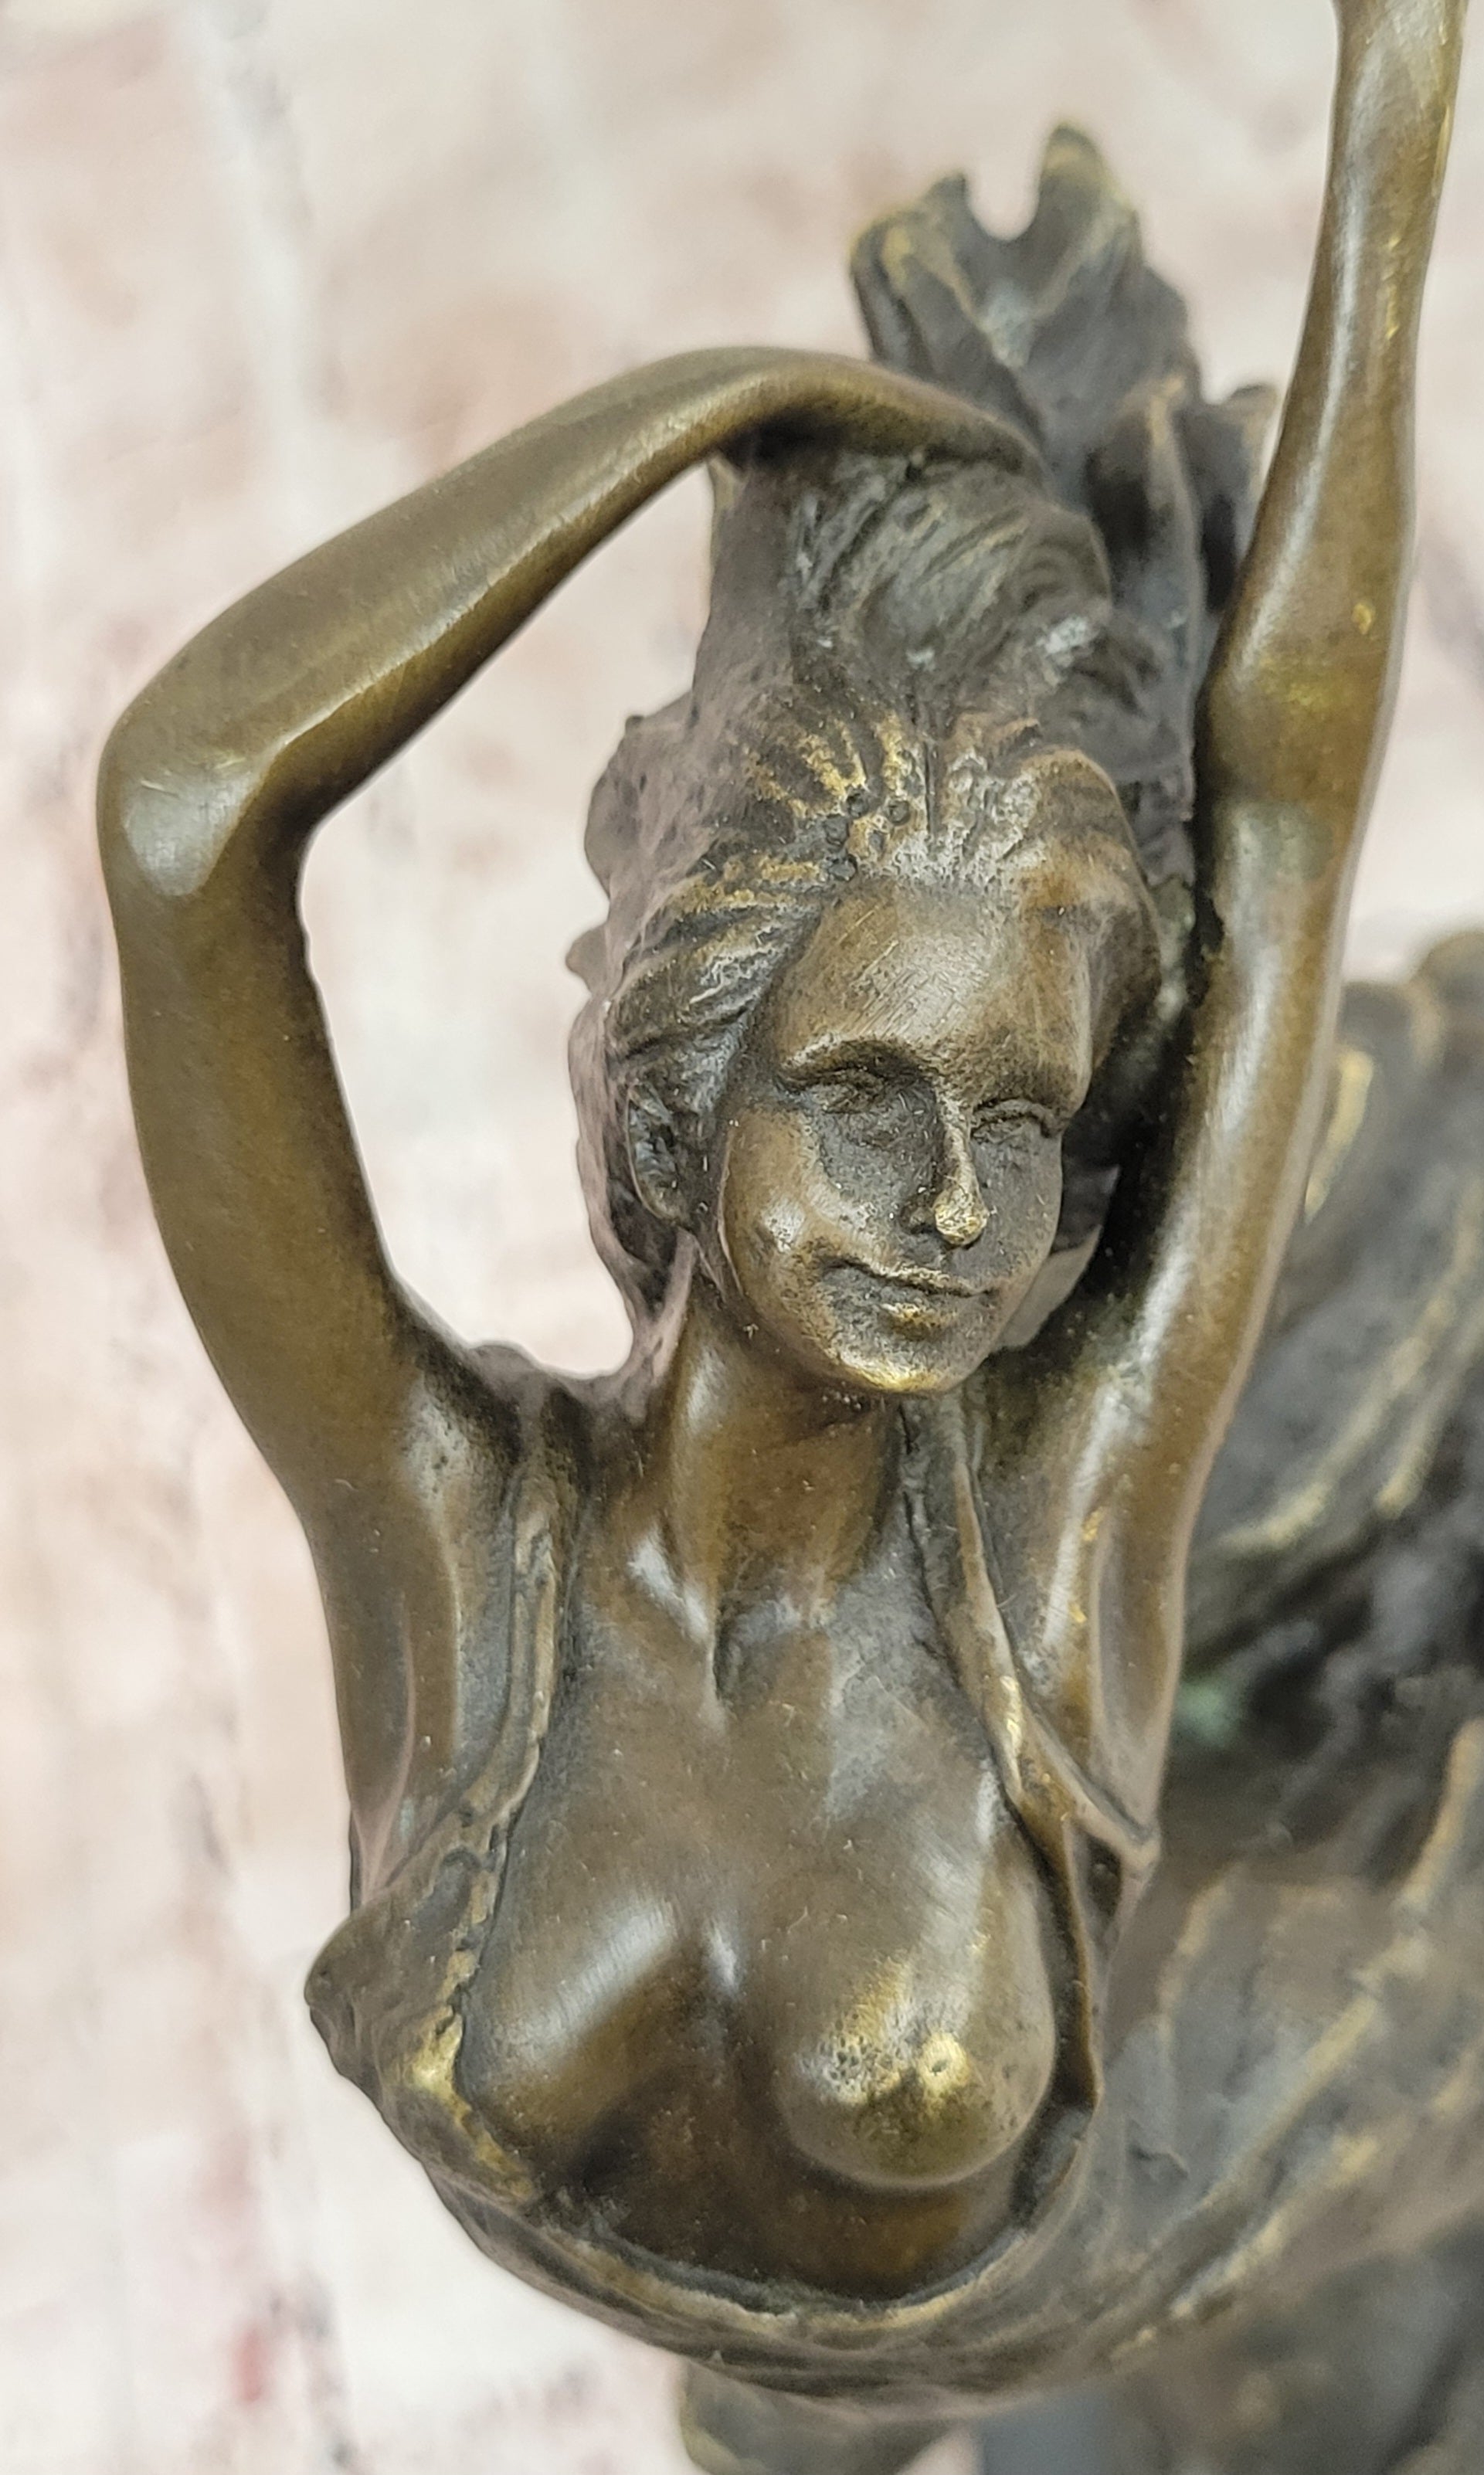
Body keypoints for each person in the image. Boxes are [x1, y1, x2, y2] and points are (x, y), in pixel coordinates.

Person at [100, 2, 1481, 2467]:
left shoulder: (1055, 1537)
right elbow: (192, 815)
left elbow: (1284, 804)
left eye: (1020, 1122)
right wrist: (698, 415)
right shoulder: (440, 1530)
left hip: (1122, 2214)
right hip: (787, 2358)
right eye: (860, 1101)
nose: (955, 1211)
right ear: (680, 1088)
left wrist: (1393, 142)